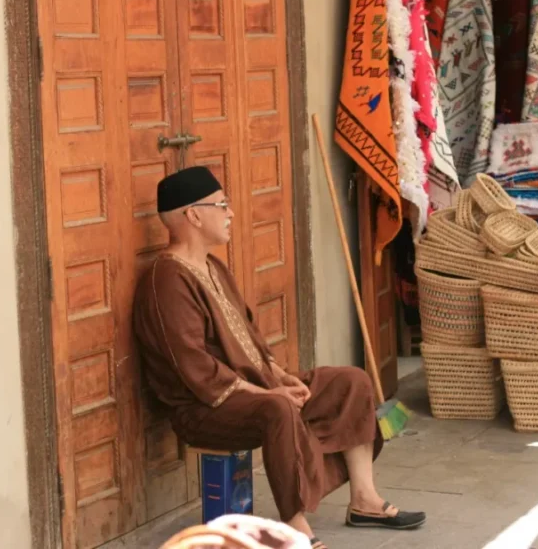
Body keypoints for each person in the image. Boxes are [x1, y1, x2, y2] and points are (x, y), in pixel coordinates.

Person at [134, 166, 426, 549]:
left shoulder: (211, 265)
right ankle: (295, 528)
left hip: (253, 387)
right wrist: (267, 395)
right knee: (279, 410)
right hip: (204, 406)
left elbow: (250, 337)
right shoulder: (166, 279)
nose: (230, 213)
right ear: (193, 214)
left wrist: (279, 375)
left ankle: (364, 501)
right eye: (222, 205)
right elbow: (195, 369)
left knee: (351, 382)